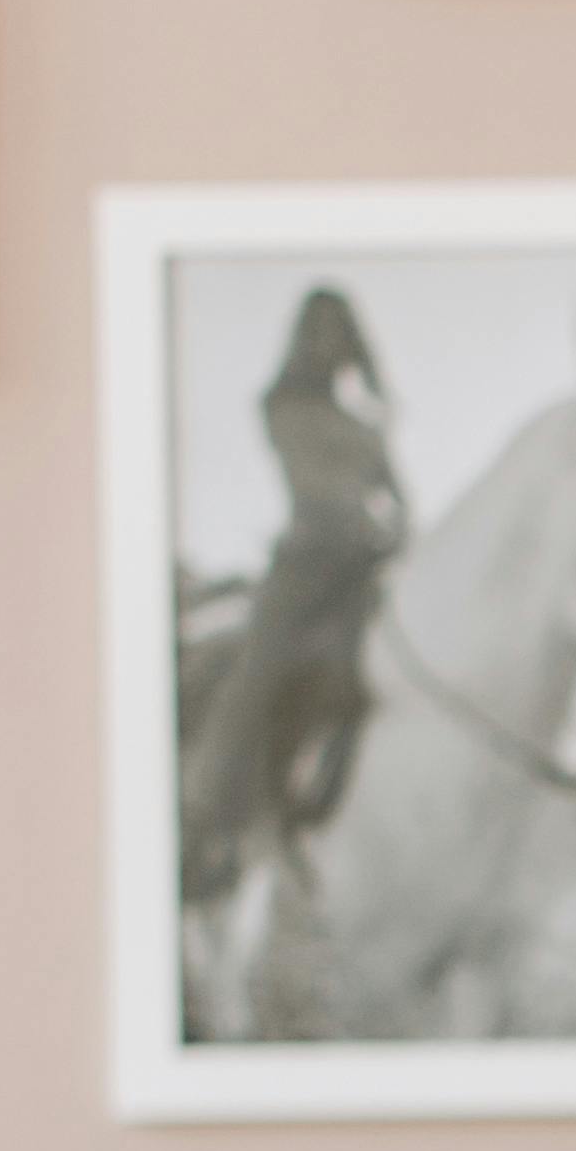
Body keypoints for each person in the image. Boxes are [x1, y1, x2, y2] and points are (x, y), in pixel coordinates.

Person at [175, 290, 409, 903]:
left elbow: (399, 500)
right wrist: (369, 512)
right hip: (308, 563)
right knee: (254, 680)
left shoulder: (366, 422)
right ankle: (208, 824)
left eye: (339, 333)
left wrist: (394, 526)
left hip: (367, 563)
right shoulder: (284, 406)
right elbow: (319, 487)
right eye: (320, 332)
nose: (328, 346)